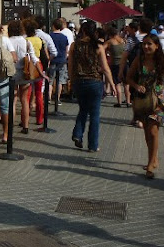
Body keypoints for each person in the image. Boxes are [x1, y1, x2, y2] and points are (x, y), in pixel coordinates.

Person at [69, 20, 117, 153]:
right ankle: (93, 145)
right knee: (95, 114)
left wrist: (72, 81)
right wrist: (112, 84)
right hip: (95, 82)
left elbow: (70, 66)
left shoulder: (74, 45)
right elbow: (105, 68)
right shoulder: (98, 46)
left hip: (79, 81)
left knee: (83, 109)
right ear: (94, 31)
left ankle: (77, 134)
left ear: (83, 31)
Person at [126, 34, 164, 178]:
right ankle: (153, 158)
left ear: (156, 46)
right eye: (144, 44)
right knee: (147, 132)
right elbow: (128, 77)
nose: (146, 47)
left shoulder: (162, 61)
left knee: (154, 130)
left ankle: (150, 165)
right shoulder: (139, 60)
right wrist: (136, 86)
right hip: (142, 100)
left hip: (159, 101)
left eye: (149, 44)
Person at [7, 20, 37, 133]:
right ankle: (25, 126)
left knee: (13, 100)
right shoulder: (26, 42)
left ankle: (10, 125)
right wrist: (40, 72)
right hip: (25, 73)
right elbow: (34, 58)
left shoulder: (7, 41)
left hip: (11, 73)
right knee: (24, 100)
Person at [24, 18, 47, 125]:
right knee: (39, 93)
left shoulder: (24, 40)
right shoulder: (39, 40)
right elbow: (44, 55)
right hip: (38, 65)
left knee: (27, 94)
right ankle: (39, 118)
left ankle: (25, 119)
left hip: (28, 66)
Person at [103, 25, 125, 107]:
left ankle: (119, 102)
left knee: (117, 83)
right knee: (126, 84)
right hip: (124, 63)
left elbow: (101, 49)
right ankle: (128, 101)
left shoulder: (110, 42)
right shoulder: (123, 40)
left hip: (115, 64)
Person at [49, 19, 70, 104]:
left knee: (50, 80)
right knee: (60, 81)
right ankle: (57, 99)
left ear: (53, 26)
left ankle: (49, 98)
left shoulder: (50, 36)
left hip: (52, 60)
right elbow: (66, 49)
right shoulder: (64, 37)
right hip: (62, 60)